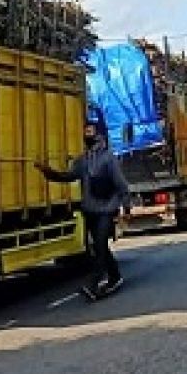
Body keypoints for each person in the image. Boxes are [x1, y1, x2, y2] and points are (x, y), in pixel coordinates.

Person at [41, 119, 130, 300]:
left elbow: (121, 185)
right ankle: (115, 276)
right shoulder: (82, 161)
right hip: (89, 210)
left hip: (106, 209)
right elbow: (68, 177)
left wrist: (126, 208)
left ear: (99, 134)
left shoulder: (108, 158)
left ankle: (93, 283)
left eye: (89, 131)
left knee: (99, 244)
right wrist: (49, 173)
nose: (86, 135)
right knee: (100, 247)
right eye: (85, 132)